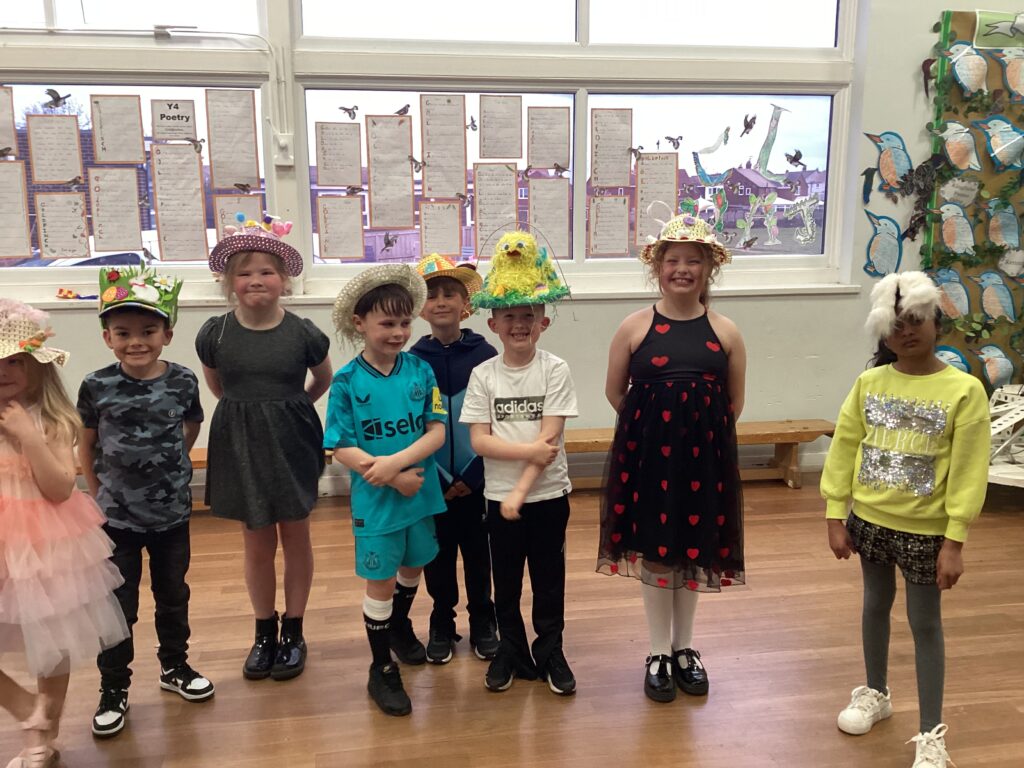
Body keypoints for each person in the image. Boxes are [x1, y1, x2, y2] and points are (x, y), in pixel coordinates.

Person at [821, 271, 990, 768]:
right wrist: (836, 514)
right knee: (874, 605)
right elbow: (844, 447)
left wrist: (954, 540)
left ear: (937, 322)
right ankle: (876, 693)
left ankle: (931, 732)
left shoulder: (964, 391)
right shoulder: (869, 383)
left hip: (927, 532)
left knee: (924, 623)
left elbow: (969, 472)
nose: (906, 331)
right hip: (870, 523)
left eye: (916, 320)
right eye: (895, 324)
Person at [596, 213, 747, 704]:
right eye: (673, 260)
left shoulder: (725, 331)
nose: (682, 269)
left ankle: (685, 647)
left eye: (693, 261)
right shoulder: (635, 326)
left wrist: (696, 434)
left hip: (705, 461)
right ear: (657, 268)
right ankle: (658, 650)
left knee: (694, 547)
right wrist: (653, 431)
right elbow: (615, 391)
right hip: (649, 462)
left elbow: (734, 402)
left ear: (709, 270)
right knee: (658, 550)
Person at [195, 215, 332, 681]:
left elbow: (323, 379)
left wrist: (290, 407)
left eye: (267, 271)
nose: (256, 279)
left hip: (293, 440)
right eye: (245, 272)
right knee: (256, 541)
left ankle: (294, 629)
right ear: (229, 282)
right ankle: (263, 630)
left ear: (284, 280)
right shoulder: (215, 333)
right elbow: (218, 386)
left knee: (296, 535)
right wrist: (251, 412)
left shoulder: (303, 332)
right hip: (240, 443)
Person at [78, 268, 212, 738]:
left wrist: (172, 467)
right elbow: (86, 444)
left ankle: (175, 666)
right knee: (119, 605)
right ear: (108, 338)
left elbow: (190, 427)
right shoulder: (96, 385)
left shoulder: (183, 380)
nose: (136, 341)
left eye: (148, 331)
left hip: (173, 515)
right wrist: (97, 495)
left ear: (167, 334)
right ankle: (113, 687)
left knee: (173, 595)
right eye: (123, 333)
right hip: (117, 520)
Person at [0, 299, 128, 767]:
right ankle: (25, 708)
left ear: (37, 365)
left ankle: (44, 739)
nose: (3, 370)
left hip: (46, 541)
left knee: (53, 643)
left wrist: (28, 438)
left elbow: (58, 489)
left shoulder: (53, 420)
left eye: (15, 360)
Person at [324, 264, 447, 717]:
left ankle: (398, 624)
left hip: (420, 492)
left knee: (414, 564)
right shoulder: (346, 382)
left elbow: (437, 430)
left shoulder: (421, 370)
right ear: (360, 323)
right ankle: (381, 668)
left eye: (404, 323)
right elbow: (339, 445)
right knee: (381, 581)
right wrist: (392, 475)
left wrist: (397, 464)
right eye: (387, 323)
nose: (398, 333)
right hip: (377, 500)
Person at [460, 230, 579, 696]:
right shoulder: (483, 375)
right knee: (505, 583)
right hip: (498, 499)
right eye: (509, 316)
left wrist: (521, 491)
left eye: (528, 315)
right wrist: (517, 475)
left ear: (543, 321)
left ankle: (551, 651)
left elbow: (548, 443)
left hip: (547, 497)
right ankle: (510, 651)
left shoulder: (555, 370)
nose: (519, 324)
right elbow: (480, 442)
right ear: (493, 323)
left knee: (549, 581)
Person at [409, 253, 500, 664]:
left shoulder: (485, 354)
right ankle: (441, 620)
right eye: (432, 295)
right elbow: (413, 424)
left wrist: (474, 475)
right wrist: (437, 477)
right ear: (420, 307)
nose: (441, 301)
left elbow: (495, 419)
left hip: (477, 477)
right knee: (438, 555)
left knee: (479, 555)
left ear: (466, 303)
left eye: (450, 293)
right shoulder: (413, 360)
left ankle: (483, 618)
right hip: (433, 481)